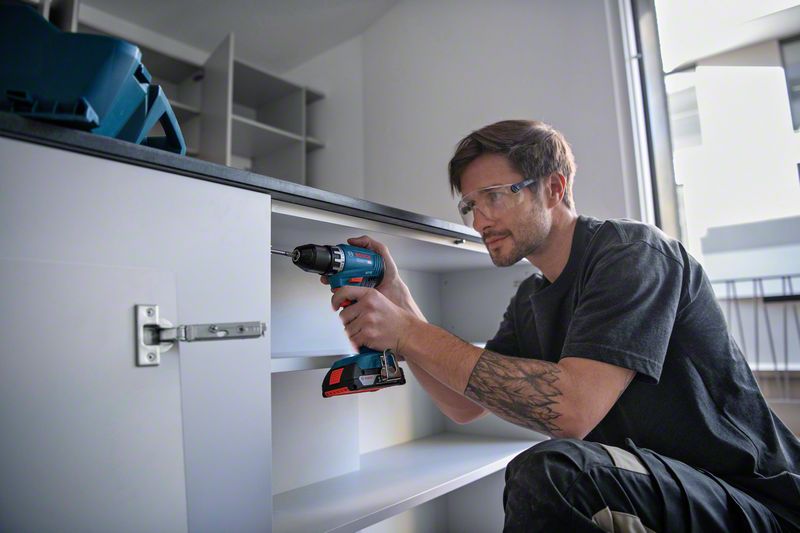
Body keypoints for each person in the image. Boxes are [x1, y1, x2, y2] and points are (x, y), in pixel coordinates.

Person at [328, 120, 800, 532]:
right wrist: (401, 307)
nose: (479, 220)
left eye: (494, 196)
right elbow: (462, 404)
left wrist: (409, 333)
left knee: (555, 475)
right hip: (660, 487)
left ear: (554, 188)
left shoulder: (633, 253)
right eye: (470, 205)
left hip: (752, 501)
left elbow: (572, 411)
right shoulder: (530, 300)